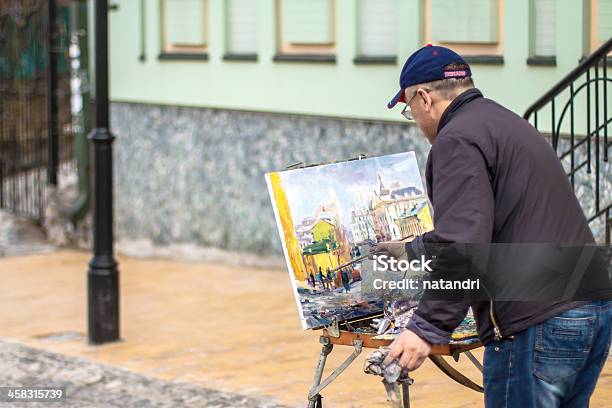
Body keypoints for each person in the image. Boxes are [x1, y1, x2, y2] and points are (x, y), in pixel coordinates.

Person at [376, 44, 611, 407]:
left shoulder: (456, 140)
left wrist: (426, 329)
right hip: (590, 307)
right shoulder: (504, 122)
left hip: (538, 319)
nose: (417, 121)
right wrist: (412, 249)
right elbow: (490, 220)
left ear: (424, 98)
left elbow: (464, 244)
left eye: (409, 109)